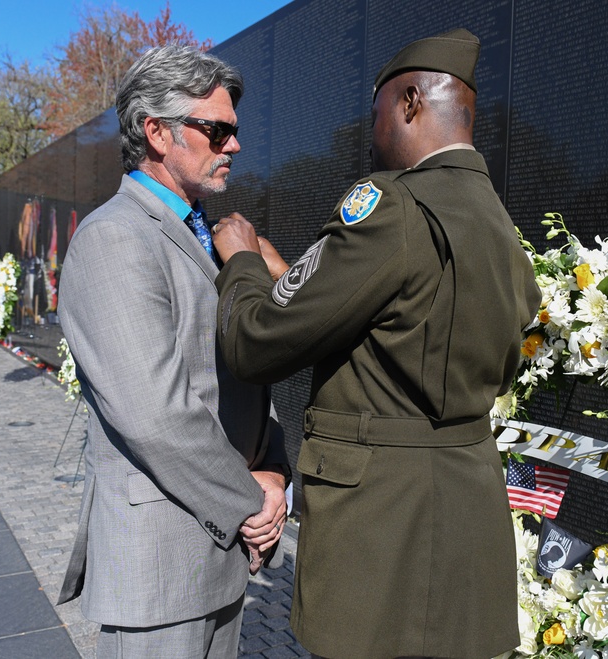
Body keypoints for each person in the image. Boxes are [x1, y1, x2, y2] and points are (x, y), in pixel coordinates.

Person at [211, 28, 542, 659]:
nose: (371, 133)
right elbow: (410, 333)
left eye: (378, 112)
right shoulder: (497, 223)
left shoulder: (390, 206)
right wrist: (293, 283)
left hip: (383, 526)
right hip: (464, 508)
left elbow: (256, 343)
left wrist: (243, 264)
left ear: (412, 102)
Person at [56, 45, 289, 658]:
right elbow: (152, 411)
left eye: (234, 130)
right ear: (156, 133)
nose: (233, 146)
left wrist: (274, 471)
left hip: (221, 550)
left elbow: (242, 372)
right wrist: (250, 503)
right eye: (216, 130)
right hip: (160, 565)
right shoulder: (113, 239)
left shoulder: (205, 236)